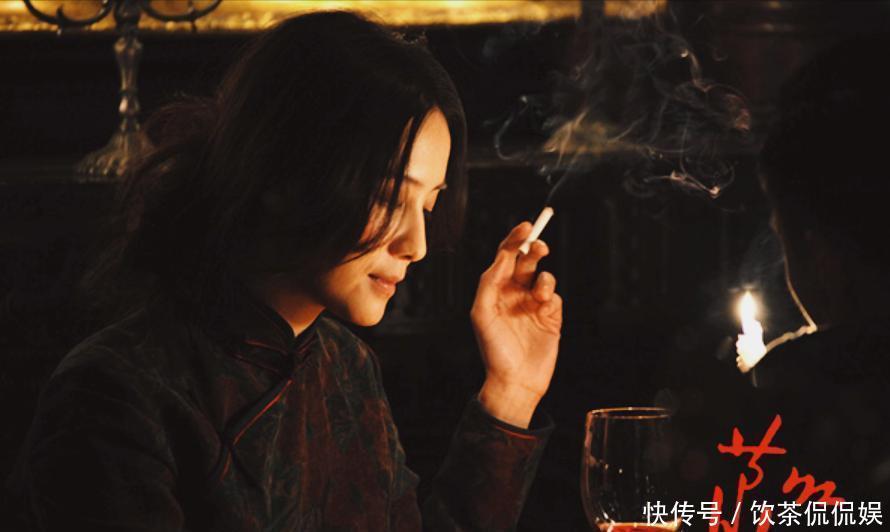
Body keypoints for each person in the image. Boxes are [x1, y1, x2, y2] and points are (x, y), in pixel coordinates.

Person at [4, 12, 563, 531]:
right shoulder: (115, 395)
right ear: (283, 173)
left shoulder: (345, 366)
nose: (416, 245)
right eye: (390, 196)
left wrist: (510, 391)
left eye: (429, 205)